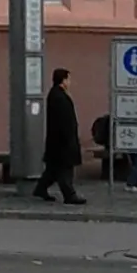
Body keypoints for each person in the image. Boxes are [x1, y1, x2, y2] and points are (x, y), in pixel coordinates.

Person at [34, 66, 85, 204]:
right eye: (68, 79)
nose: (70, 82)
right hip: (62, 141)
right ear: (63, 80)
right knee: (64, 169)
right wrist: (70, 139)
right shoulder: (59, 97)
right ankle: (69, 195)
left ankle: (40, 188)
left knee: (53, 169)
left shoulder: (56, 94)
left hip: (57, 141)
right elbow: (65, 121)